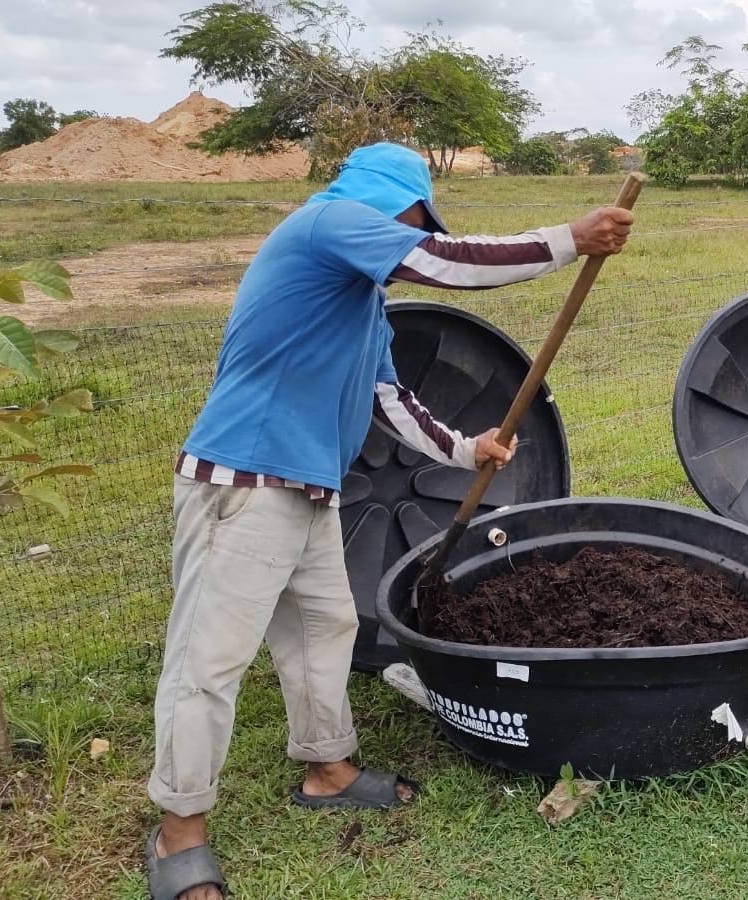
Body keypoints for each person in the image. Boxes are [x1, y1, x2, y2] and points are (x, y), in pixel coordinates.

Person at [143, 142, 633, 900]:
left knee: (324, 629)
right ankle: (179, 831)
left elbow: (387, 398)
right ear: (392, 200)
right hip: (241, 481)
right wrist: (571, 239)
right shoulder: (327, 222)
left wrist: (467, 448)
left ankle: (327, 768)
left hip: (308, 488)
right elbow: (443, 262)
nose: (415, 228)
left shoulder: (359, 302)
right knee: (208, 664)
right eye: (414, 216)